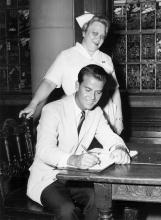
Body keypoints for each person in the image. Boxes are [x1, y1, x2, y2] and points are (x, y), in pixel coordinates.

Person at [26, 64, 130, 220]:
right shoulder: (53, 109)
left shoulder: (96, 112)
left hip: (72, 178)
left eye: (98, 92)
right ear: (77, 86)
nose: (92, 97)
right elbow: (43, 151)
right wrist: (74, 160)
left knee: (100, 200)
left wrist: (120, 148)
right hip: (46, 179)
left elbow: (110, 137)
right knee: (67, 210)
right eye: (87, 90)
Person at [19, 12, 124, 135]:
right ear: (84, 32)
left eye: (102, 36)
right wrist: (33, 104)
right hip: (78, 120)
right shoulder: (67, 56)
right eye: (94, 33)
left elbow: (114, 91)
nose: (98, 39)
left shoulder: (106, 59)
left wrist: (118, 119)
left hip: (107, 120)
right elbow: (49, 82)